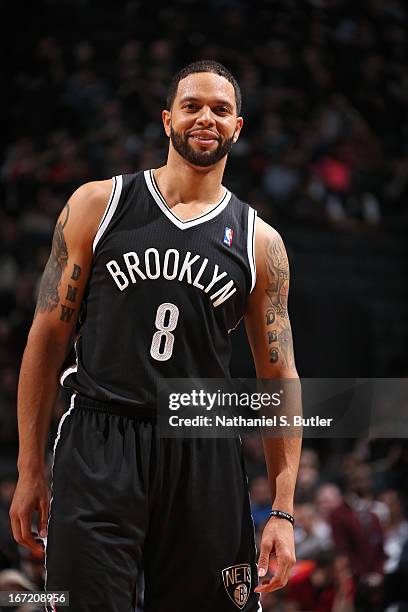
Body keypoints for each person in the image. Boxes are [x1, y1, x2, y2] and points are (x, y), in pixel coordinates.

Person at [9, 60, 301, 611]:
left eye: (221, 109)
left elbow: (278, 377)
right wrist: (29, 469)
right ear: (168, 120)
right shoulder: (98, 205)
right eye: (192, 106)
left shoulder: (261, 244)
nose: (205, 118)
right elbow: (45, 338)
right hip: (100, 437)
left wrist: (283, 510)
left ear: (238, 127)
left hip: (203, 448)